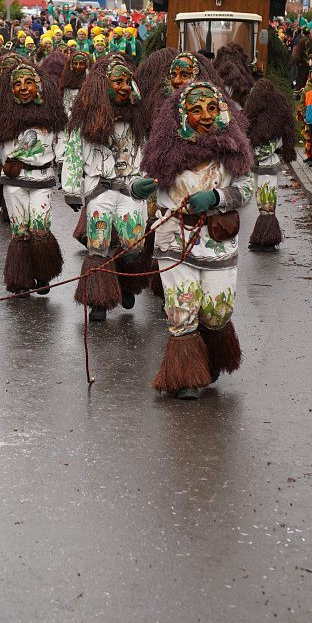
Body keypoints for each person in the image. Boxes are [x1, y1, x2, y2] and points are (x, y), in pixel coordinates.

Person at [134, 81, 254, 399]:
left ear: (221, 112)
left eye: (211, 108)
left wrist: (217, 196)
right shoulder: (162, 149)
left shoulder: (234, 149)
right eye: (196, 109)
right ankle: (185, 374)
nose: (204, 115)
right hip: (173, 236)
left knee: (217, 311)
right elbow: (139, 177)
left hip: (217, 238)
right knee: (182, 307)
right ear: (181, 115)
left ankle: (211, 352)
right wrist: (138, 187)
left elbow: (247, 188)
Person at [64, 56, 148, 322]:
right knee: (98, 245)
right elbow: (73, 154)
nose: (124, 87)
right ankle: (98, 300)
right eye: (118, 82)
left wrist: (149, 182)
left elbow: (149, 153)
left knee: (133, 245)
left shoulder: (141, 120)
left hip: (131, 189)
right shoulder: (85, 121)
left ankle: (125, 284)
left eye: (127, 81)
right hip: (99, 189)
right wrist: (72, 189)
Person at [0, 63, 67, 294]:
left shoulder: (53, 116)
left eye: (28, 83)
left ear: (38, 87)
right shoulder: (4, 116)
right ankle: (21, 278)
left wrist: (69, 179)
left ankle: (43, 274)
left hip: (43, 178)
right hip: (13, 181)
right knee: (20, 231)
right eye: (17, 84)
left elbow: (63, 146)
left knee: (40, 227)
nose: (23, 88)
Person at [242, 78, 297, 251]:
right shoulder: (270, 118)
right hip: (264, 163)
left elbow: (269, 146)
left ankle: (267, 237)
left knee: (266, 201)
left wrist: (252, 154)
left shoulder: (269, 121)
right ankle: (264, 235)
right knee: (263, 200)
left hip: (266, 163)